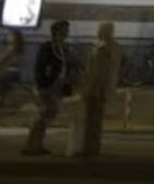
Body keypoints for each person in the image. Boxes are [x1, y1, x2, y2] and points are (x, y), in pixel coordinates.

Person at [22, 20, 71, 156]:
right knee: (41, 115)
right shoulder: (47, 47)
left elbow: (64, 67)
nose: (67, 34)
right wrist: (43, 84)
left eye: (67, 31)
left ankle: (38, 144)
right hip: (46, 86)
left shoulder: (62, 48)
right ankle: (30, 144)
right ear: (56, 32)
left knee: (48, 116)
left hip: (56, 86)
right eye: (64, 31)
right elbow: (41, 67)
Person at [75, 22, 120, 157]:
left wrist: (89, 88)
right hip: (104, 88)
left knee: (91, 119)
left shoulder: (103, 49)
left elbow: (97, 72)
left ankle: (89, 147)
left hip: (97, 88)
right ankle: (93, 147)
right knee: (96, 119)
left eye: (100, 30)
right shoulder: (114, 47)